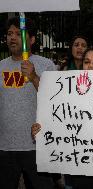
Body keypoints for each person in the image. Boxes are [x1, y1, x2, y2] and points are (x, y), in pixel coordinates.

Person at [32, 47, 93, 189]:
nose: (91, 65)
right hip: (80, 160)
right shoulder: (68, 91)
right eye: (87, 62)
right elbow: (60, 121)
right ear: (81, 65)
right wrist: (41, 132)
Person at [0, 17, 57, 189]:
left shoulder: (46, 64)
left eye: (19, 34)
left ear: (31, 40)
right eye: (9, 33)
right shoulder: (1, 66)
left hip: (37, 146)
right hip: (5, 147)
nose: (12, 37)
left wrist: (33, 77)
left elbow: (54, 99)